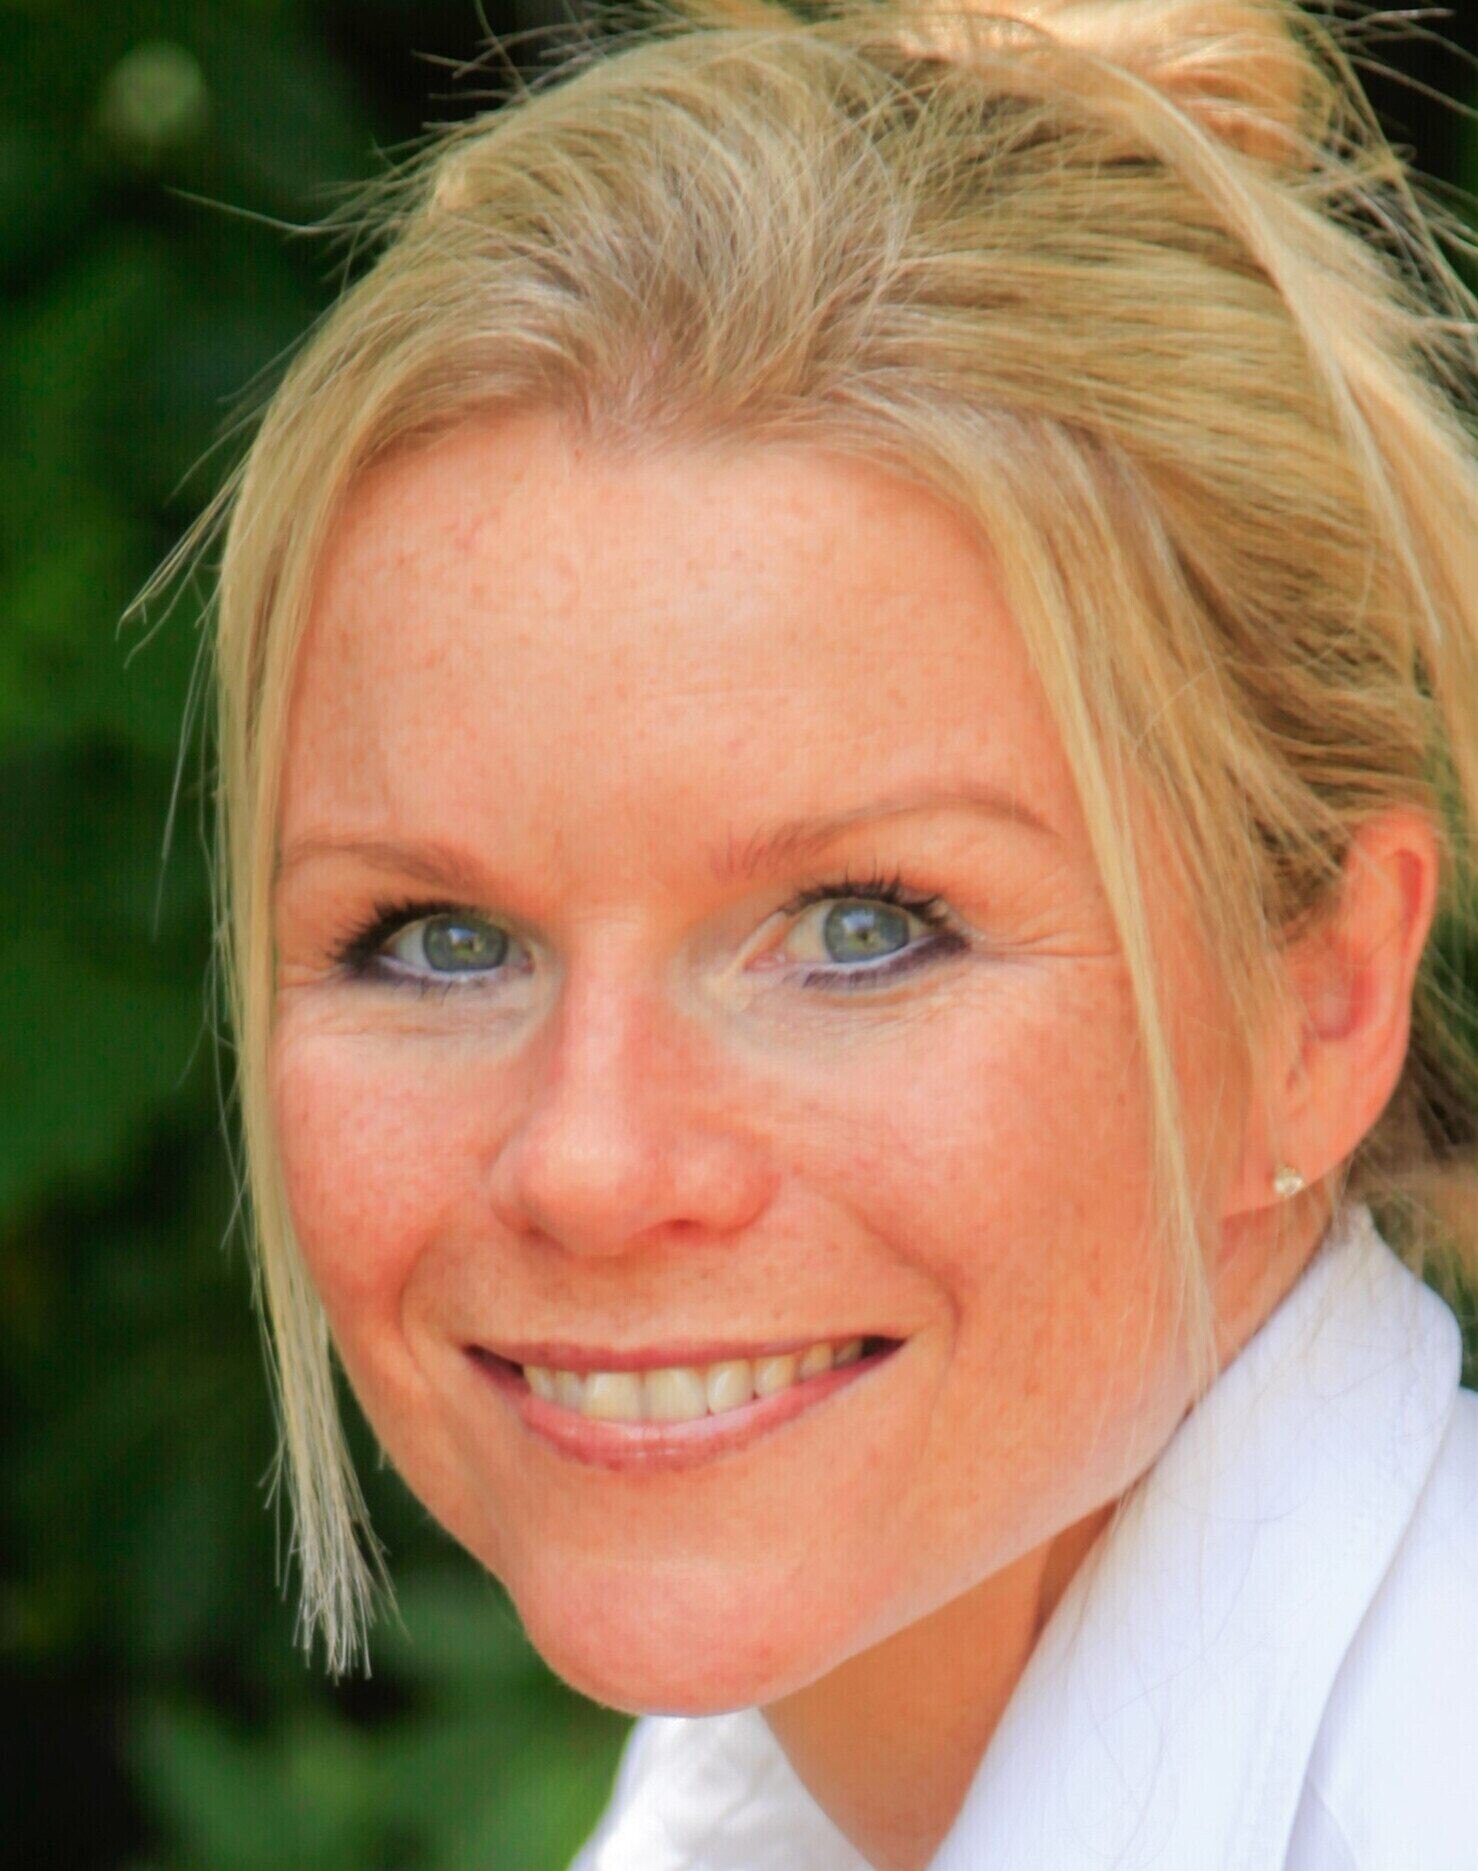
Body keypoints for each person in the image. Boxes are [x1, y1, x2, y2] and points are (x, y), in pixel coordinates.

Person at [157, 0, 1478, 1864]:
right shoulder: (747, 1806)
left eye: (862, 930)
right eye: (439, 940)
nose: (591, 1165)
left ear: (1322, 1001)